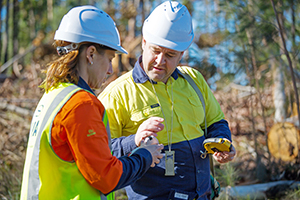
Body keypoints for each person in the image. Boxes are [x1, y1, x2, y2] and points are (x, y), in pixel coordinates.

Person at [20, 5, 165, 200]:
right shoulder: (80, 104)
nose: (109, 71)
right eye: (110, 59)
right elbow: (106, 177)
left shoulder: (53, 95)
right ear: (90, 54)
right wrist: (145, 155)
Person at [98, 1, 236, 199]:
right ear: (144, 42)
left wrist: (223, 143)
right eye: (156, 50)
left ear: (182, 53)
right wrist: (134, 140)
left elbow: (216, 122)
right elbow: (101, 153)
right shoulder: (117, 94)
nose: (160, 61)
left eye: (170, 55)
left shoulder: (194, 80)